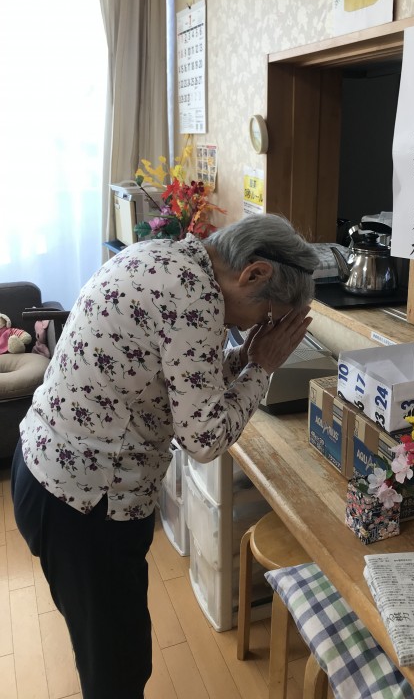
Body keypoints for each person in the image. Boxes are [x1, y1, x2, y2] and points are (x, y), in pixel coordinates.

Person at [11, 213, 319, 699]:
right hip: (85, 505)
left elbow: (184, 380)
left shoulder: (162, 254)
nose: (257, 327)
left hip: (44, 470)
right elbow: (204, 440)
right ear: (254, 274)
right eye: (266, 316)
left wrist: (245, 359)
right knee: (117, 671)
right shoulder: (195, 297)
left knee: (105, 651)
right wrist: (262, 368)